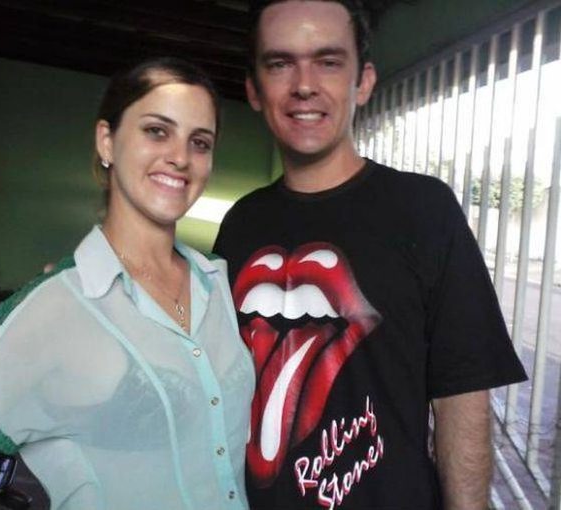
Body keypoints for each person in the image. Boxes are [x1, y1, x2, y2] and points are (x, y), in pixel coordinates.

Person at [213, 1, 527, 509]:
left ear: (363, 82)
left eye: (328, 62)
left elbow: (462, 400)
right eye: (280, 63)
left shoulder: (424, 209)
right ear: (253, 89)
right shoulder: (240, 224)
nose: (304, 85)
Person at [0, 57, 254, 510]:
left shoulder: (217, 283)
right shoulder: (55, 306)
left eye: (200, 142)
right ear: (107, 141)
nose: (180, 157)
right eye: (157, 131)